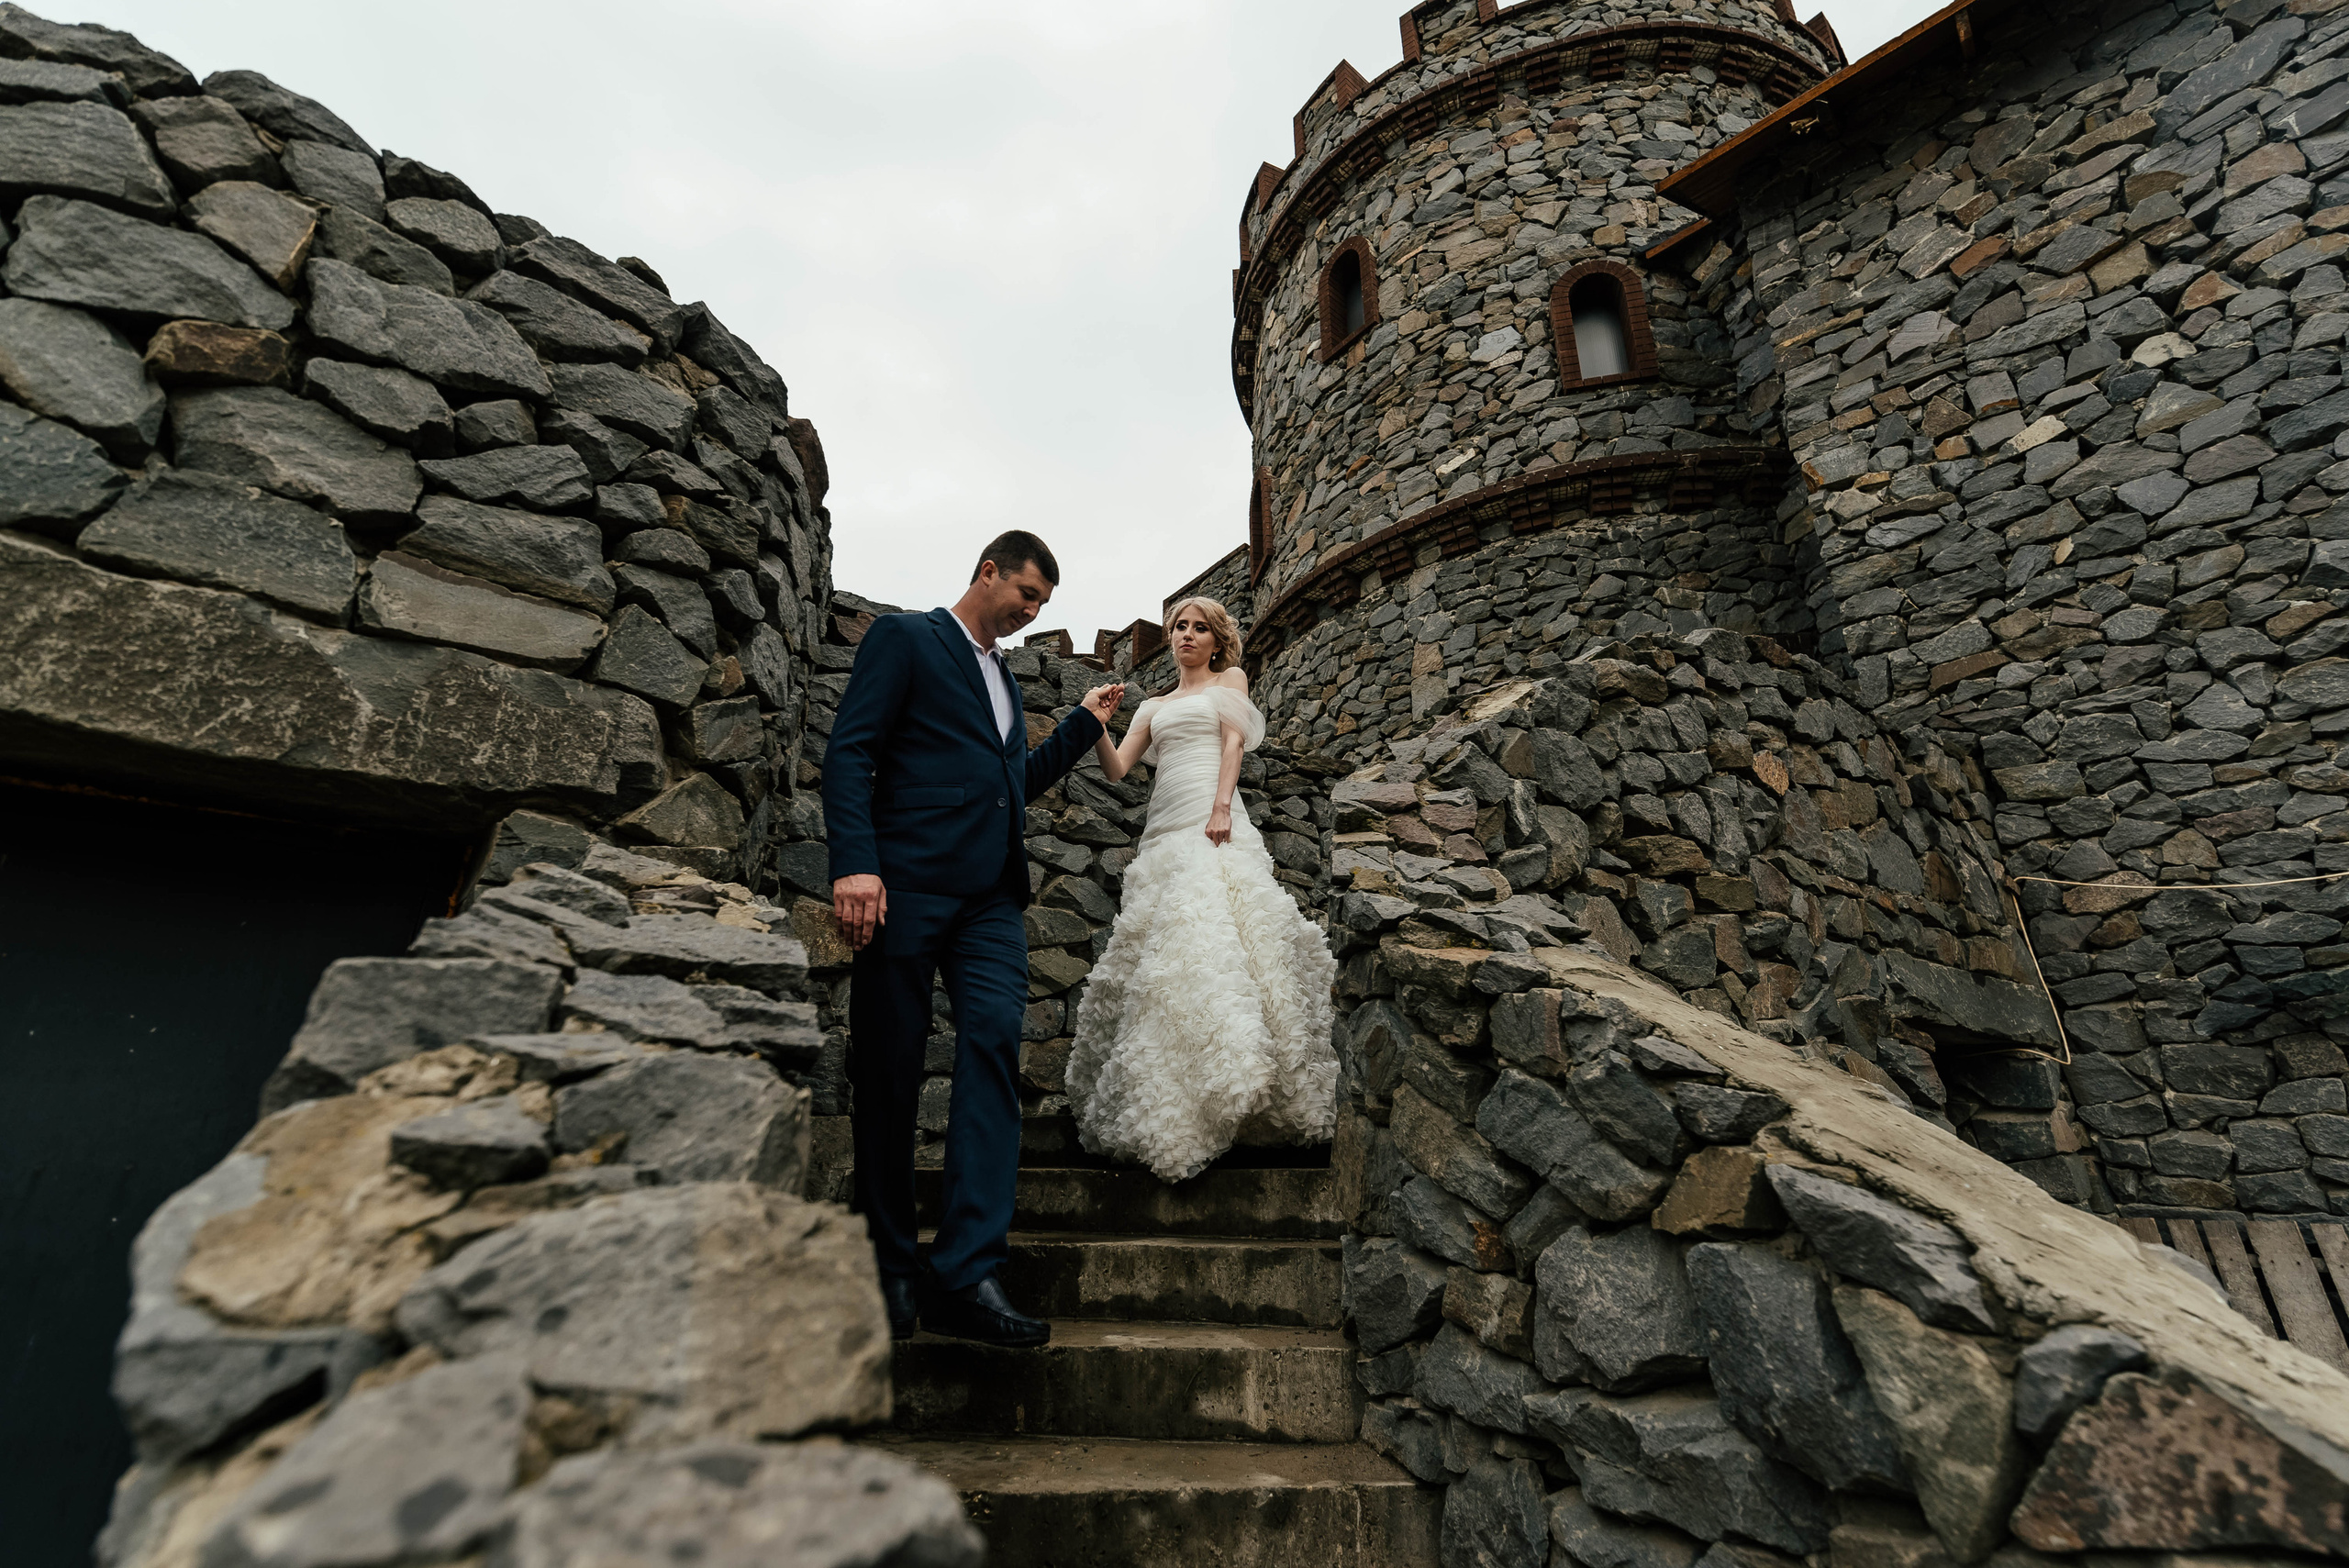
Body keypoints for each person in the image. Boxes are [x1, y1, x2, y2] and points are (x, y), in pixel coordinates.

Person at [822, 530, 1124, 1347]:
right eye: (1027, 593)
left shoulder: (1002, 678)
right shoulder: (907, 640)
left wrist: (1076, 725)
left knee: (993, 1039)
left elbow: (1009, 784)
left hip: (991, 897)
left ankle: (967, 1271)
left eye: (1044, 605)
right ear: (987, 570)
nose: (1033, 611)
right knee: (890, 1065)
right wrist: (856, 863)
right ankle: (888, 1265)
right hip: (906, 884)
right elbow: (851, 751)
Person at [1063, 596, 1338, 1183]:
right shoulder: (1155, 704)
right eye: (1180, 627)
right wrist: (1095, 723)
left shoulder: (1230, 680)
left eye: (1200, 628)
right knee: (1169, 955)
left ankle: (1241, 1079)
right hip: (1163, 825)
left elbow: (1233, 745)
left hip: (1213, 817)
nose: (1187, 635)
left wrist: (1220, 808)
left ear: (1218, 641)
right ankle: (1174, 1094)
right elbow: (1117, 770)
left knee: (1219, 930)